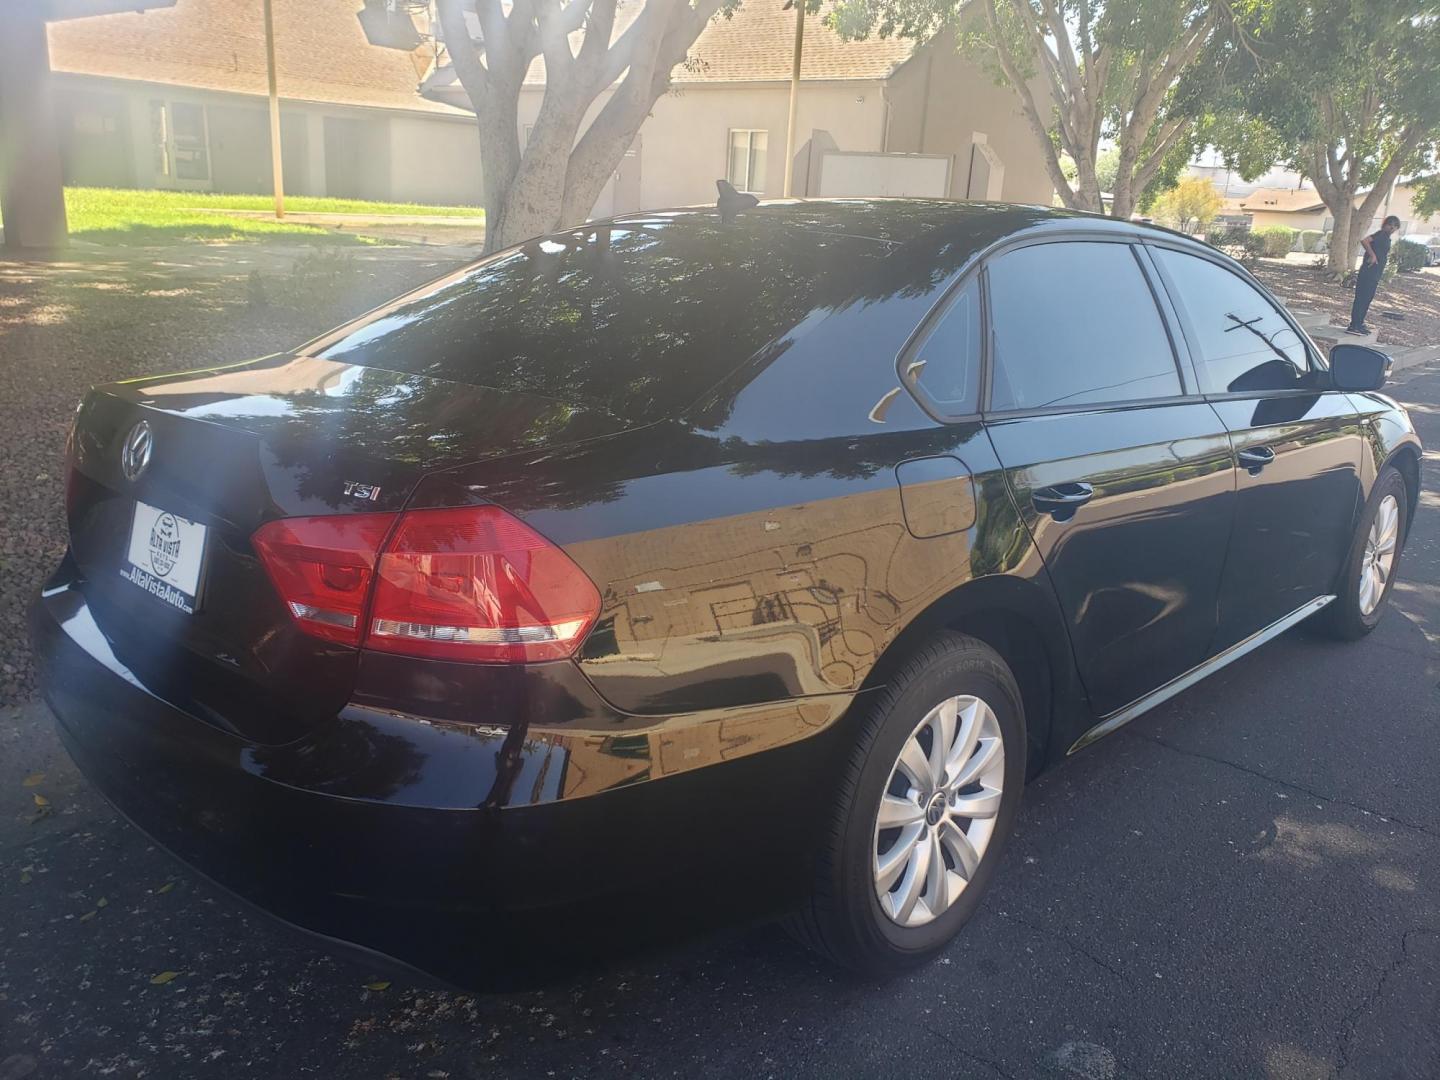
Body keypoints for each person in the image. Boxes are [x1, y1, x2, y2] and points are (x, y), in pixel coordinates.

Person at [1346, 215, 1402, 335]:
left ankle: (1359, 322)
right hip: (1369, 271)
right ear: (1385, 224)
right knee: (1362, 297)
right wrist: (1372, 255)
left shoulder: (1386, 237)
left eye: (1395, 226)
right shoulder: (1381, 234)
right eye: (1390, 224)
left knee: (1367, 298)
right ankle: (1354, 325)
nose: (1392, 227)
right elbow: (1365, 241)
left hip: (1375, 273)